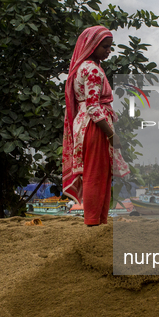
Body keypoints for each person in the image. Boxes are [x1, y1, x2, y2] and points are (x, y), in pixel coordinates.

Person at [62, 25, 130, 226]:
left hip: (86, 124)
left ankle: (98, 220)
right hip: (95, 125)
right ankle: (93, 220)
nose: (108, 51)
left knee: (99, 173)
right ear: (92, 46)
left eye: (110, 47)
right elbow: (93, 106)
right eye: (105, 47)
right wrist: (111, 134)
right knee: (96, 173)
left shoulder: (84, 67)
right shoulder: (91, 70)